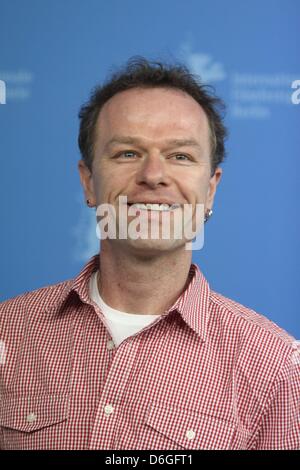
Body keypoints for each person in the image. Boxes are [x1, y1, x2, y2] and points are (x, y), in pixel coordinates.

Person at [0, 57, 299, 450]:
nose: (153, 174)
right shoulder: (7, 333)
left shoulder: (275, 367)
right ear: (88, 181)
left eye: (180, 156)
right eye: (127, 153)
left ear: (210, 190)